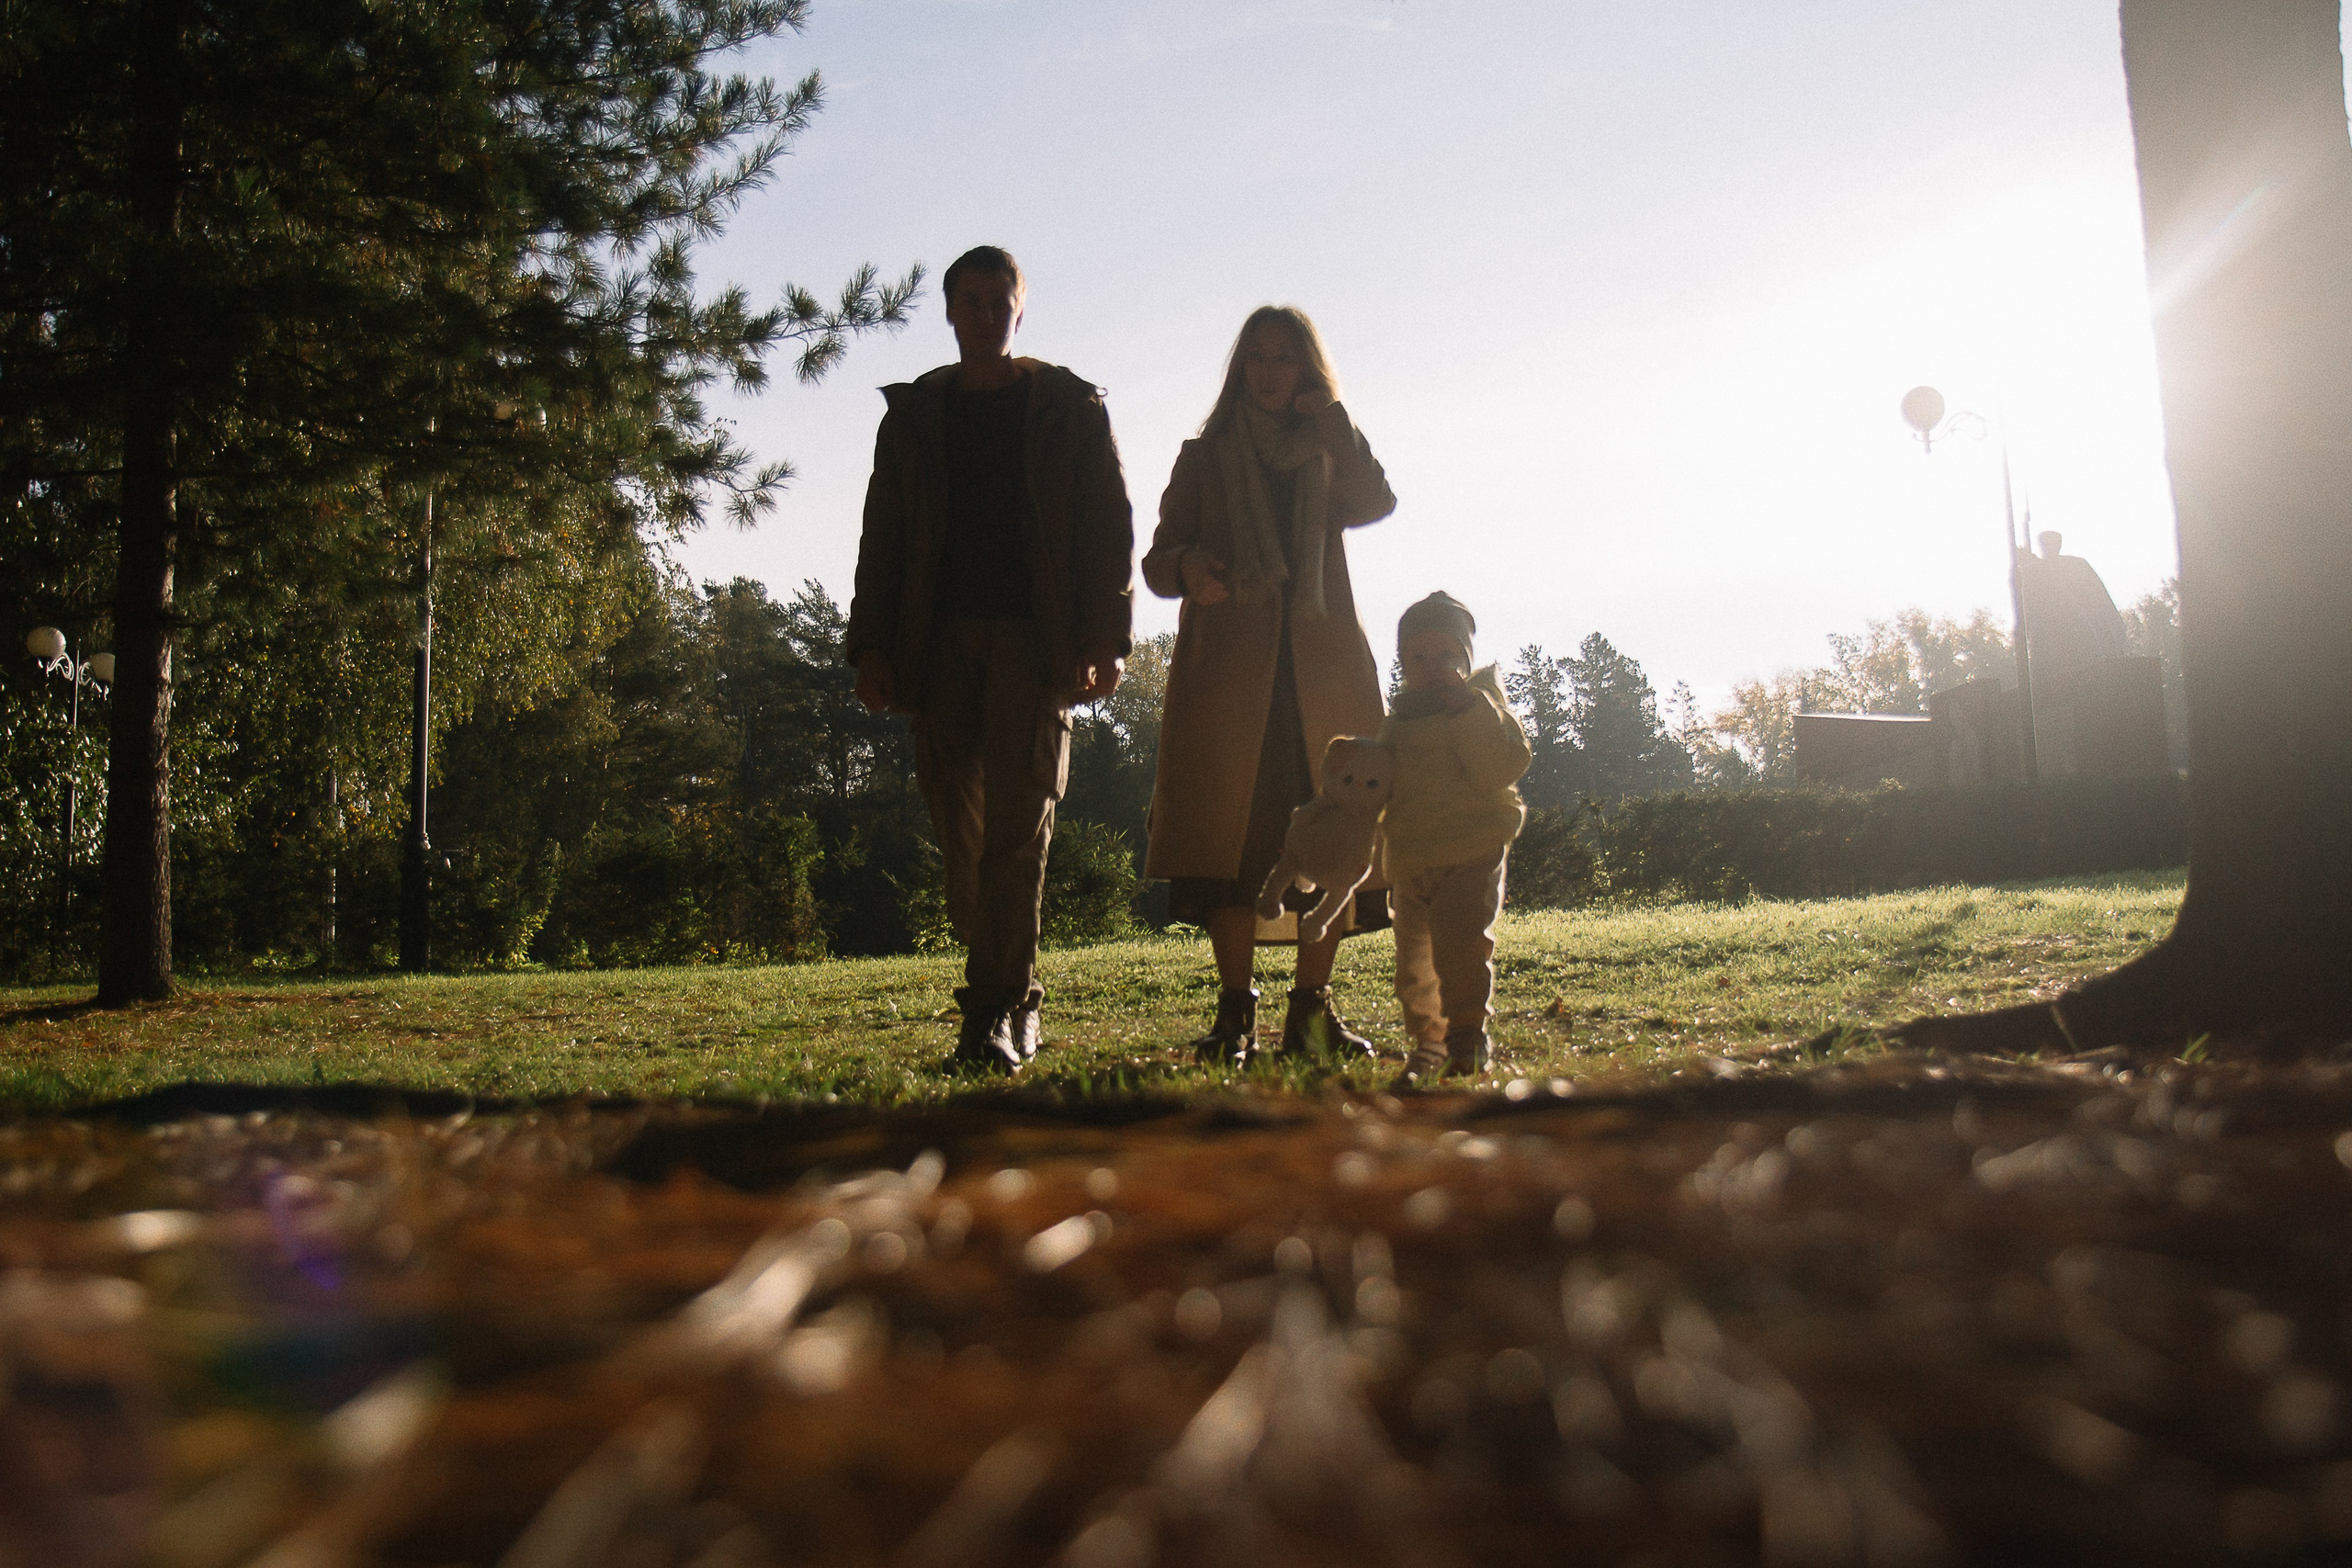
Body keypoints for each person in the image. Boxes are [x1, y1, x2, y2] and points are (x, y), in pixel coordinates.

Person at [846, 246, 1134, 1072]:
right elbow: (884, 534)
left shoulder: (1069, 409)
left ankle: (995, 1012)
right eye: (966, 300)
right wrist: (869, 646)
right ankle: (1015, 990)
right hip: (934, 645)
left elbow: (1106, 525)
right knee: (962, 833)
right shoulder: (915, 415)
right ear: (947, 312)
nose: (981, 314)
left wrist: (1105, 637)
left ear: (1020, 309)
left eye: (996, 300)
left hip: (1033, 643)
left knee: (1020, 829)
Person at [1140, 305, 1396, 1064]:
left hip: (1322, 676)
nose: (1270, 373)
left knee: (1338, 833)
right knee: (1234, 845)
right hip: (1228, 681)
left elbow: (1377, 500)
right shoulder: (1205, 456)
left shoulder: (1329, 448)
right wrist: (1188, 569)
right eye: (1257, 358)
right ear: (1240, 368)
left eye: (1285, 359)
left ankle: (1312, 1014)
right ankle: (1235, 1014)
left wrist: (1335, 421)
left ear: (1308, 369)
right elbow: (1157, 562)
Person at [1381, 592, 1532, 1085]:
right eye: (1417, 658)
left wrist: (1469, 710)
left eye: (1445, 656)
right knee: (1415, 961)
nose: (1430, 668)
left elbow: (1500, 769)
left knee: (1463, 945)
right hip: (1413, 855)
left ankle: (1467, 1033)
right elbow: (1377, 780)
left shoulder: (1484, 707)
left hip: (1471, 847)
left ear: (1466, 661)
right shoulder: (1397, 722)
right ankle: (1429, 1039)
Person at [2017, 529, 2129, 673]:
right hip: (2051, 646)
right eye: (2046, 544)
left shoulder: (2075, 565)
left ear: (2058, 545)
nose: (2049, 548)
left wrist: (2030, 562)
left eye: (2051, 544)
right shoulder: (2038, 569)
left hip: (2079, 641)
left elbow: (2052, 577)